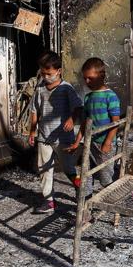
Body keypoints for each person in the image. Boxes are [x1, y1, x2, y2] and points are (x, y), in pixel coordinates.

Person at [28, 51, 83, 214]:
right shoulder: (40, 89)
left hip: (63, 137)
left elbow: (78, 107)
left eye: (49, 73)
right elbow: (34, 111)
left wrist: (72, 119)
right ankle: (49, 201)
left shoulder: (66, 88)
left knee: (69, 168)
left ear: (58, 70)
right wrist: (32, 132)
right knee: (44, 170)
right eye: (43, 73)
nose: (46, 77)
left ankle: (81, 191)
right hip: (44, 136)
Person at [68, 57, 121, 197]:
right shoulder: (88, 97)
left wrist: (108, 142)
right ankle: (86, 210)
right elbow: (85, 123)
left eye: (90, 78)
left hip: (104, 144)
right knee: (85, 176)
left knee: (105, 178)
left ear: (101, 76)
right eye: (85, 78)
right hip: (89, 144)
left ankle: (115, 199)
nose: (87, 82)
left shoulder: (111, 97)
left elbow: (116, 122)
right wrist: (76, 142)